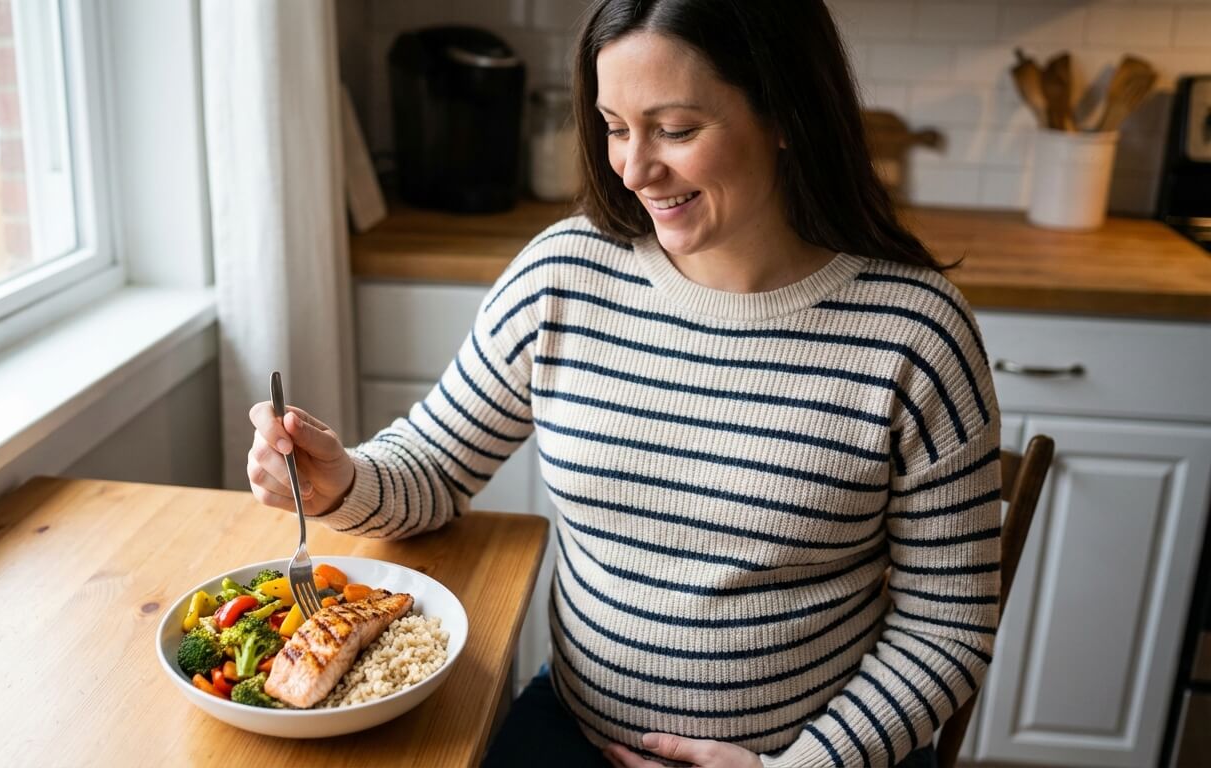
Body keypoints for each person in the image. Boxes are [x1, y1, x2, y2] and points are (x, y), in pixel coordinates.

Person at [247, 1, 999, 766]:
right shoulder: (564, 272)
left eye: (675, 129)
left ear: (786, 114)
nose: (635, 169)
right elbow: (435, 468)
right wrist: (339, 477)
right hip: (578, 734)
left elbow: (948, 627)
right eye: (614, 126)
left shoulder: (915, 332)